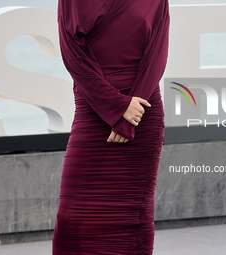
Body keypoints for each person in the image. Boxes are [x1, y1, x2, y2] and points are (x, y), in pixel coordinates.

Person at [52, 0, 170, 254]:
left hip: (142, 110)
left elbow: (157, 54)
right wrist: (117, 107)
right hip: (94, 111)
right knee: (72, 220)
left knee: (133, 222)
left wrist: (128, 116)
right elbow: (72, 54)